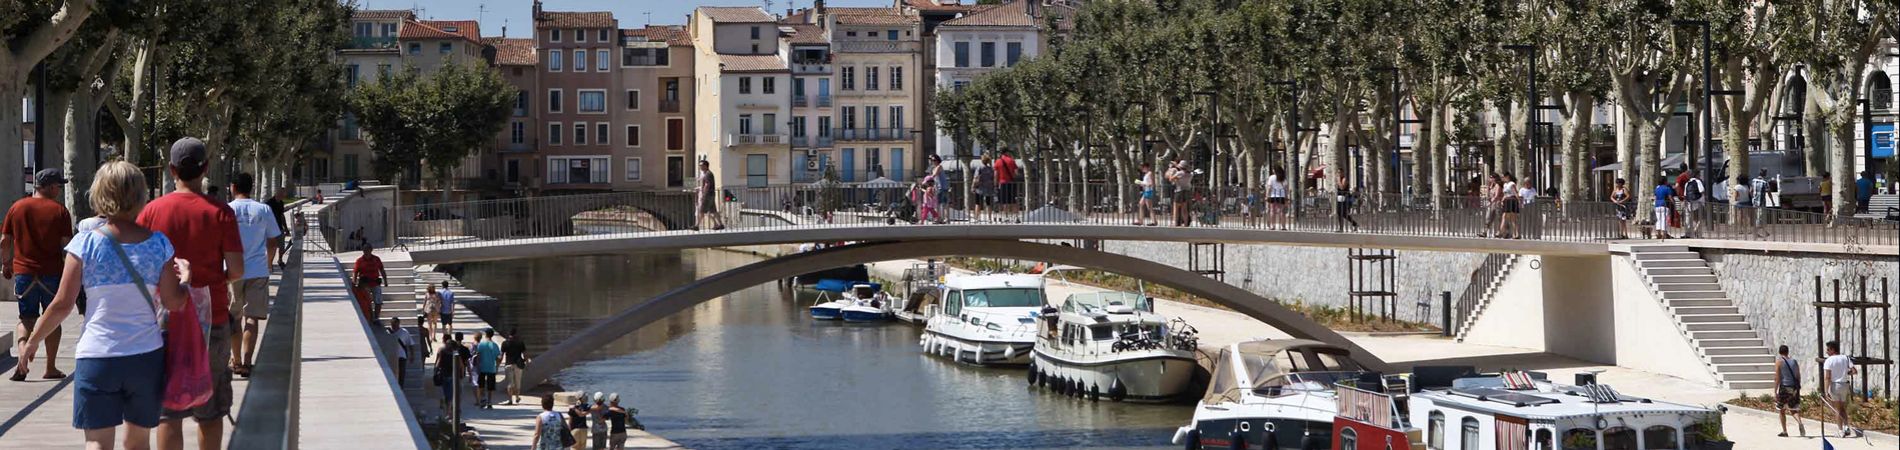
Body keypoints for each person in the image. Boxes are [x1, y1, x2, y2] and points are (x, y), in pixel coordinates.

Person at [15, 161, 186, 450]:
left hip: (97, 355)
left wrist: (33, 342)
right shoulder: (159, 244)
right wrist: (187, 280)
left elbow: (61, 304)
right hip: (145, 356)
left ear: (100, 195)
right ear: (141, 196)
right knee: (138, 442)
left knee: (96, 443)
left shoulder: (85, 243)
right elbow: (174, 302)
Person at [140, 138, 245, 450]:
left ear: (172, 169)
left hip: (163, 321)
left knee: (168, 413)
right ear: (206, 168)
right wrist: (215, 278)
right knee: (210, 410)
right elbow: (237, 269)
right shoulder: (221, 212)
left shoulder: (151, 211)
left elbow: (143, 267)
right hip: (211, 320)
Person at [4, 168, 74, 381]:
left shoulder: (17, 207)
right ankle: (50, 368)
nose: (59, 190)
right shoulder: (60, 211)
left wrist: (7, 263)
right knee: (52, 319)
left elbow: (5, 240)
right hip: (51, 273)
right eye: (58, 186)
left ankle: (22, 359)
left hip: (24, 273)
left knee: (26, 319)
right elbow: (66, 246)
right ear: (50, 186)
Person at [226, 173, 280, 378]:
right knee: (252, 318)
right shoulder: (264, 209)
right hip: (257, 270)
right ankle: (248, 363)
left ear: (232, 187)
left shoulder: (227, 210)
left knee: (234, 317)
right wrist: (268, 264)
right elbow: (273, 242)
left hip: (232, 270)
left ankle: (236, 360)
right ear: (252, 187)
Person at [1819, 340, 1862, 438]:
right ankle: (1846, 426)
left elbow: (1827, 377)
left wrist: (1826, 391)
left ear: (1832, 349)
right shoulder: (1845, 358)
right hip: (1845, 385)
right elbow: (1854, 371)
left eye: (1828, 349)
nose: (1827, 352)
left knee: (1837, 409)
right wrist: (1847, 373)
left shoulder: (1829, 360)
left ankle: (1840, 430)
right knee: (1842, 407)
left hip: (1835, 385)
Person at [1773, 345, 1806, 437]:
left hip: (1784, 388)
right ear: (1788, 352)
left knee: (1782, 410)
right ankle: (1799, 422)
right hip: (1794, 388)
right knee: (1793, 408)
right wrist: (1798, 388)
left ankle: (1785, 431)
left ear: (1780, 352)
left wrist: (1775, 391)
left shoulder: (1779, 362)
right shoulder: (1794, 361)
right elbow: (1798, 375)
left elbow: (1777, 378)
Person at [354, 245, 387, 320]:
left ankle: (376, 318)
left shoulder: (376, 259)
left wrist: (385, 281)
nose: (366, 252)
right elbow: (355, 272)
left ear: (371, 250)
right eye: (364, 250)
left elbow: (382, 270)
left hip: (375, 283)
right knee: (367, 302)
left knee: (378, 302)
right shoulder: (359, 260)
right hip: (365, 284)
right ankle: (369, 316)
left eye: (367, 250)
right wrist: (354, 282)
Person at [693, 159, 725, 230]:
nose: (700, 167)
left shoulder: (708, 174)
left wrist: (703, 194)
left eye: (701, 165)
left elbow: (707, 185)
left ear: (705, 166)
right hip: (711, 194)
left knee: (702, 211)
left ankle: (697, 226)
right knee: (713, 211)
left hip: (707, 195)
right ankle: (720, 224)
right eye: (699, 165)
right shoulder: (707, 173)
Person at [475, 329, 502, 409]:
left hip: (482, 367)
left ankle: (482, 399)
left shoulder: (481, 345)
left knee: (481, 385)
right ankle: (489, 402)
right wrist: (497, 367)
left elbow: (478, 356)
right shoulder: (495, 345)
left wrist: (478, 366)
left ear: (485, 334)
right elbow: (498, 358)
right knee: (490, 386)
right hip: (491, 368)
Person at [503, 327, 529, 405]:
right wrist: (527, 362)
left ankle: (510, 399)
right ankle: (517, 397)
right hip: (518, 365)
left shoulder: (505, 343)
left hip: (508, 364)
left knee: (510, 383)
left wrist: (497, 365)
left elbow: (501, 355)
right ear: (516, 334)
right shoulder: (520, 343)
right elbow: (525, 354)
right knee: (518, 382)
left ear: (509, 334)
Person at [265, 188, 289, 268]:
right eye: (282, 194)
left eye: (284, 195)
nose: (283, 196)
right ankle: (270, 263)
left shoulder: (281, 203)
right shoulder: (269, 203)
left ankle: (280, 260)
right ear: (277, 193)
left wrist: (285, 228)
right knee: (272, 247)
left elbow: (282, 215)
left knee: (282, 246)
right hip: (271, 229)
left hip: (279, 227)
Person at [391, 318, 416, 387]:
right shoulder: (388, 332)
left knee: (401, 374)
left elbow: (410, 344)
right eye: (393, 324)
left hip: (401, 356)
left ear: (399, 323)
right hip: (392, 357)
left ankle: (400, 388)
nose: (394, 326)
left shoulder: (404, 332)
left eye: (395, 324)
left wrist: (412, 355)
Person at [994, 150, 1019, 216]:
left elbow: (996, 174)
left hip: (1002, 183)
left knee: (1004, 201)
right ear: (1007, 153)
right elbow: (1016, 173)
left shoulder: (998, 161)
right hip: (1011, 183)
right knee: (1013, 200)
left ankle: (1006, 217)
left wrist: (995, 184)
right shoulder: (1012, 160)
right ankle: (1016, 216)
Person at [1679, 173, 1705, 238]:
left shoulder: (1687, 183)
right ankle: (1696, 231)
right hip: (1698, 202)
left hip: (1688, 203)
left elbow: (1685, 195)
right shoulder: (1698, 181)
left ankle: (1688, 233)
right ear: (1696, 175)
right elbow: (1702, 190)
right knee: (1700, 218)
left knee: (1690, 218)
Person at [973, 155, 996, 220]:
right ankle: (989, 218)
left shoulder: (979, 168)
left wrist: (973, 186)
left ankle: (976, 217)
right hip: (989, 187)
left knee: (978, 203)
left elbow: (976, 178)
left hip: (980, 187)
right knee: (988, 203)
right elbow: (993, 178)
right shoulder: (991, 169)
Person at [1266, 166, 1289, 230]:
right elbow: (1286, 188)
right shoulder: (1283, 178)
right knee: (1282, 211)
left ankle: (1273, 225)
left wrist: (1267, 195)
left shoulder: (1271, 177)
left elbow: (1269, 187)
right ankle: (1283, 226)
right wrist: (1286, 197)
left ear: (1275, 171)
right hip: (1282, 196)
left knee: (1272, 211)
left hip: (1273, 195)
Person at [1497, 174, 1520, 239]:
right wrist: (1502, 200)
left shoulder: (1511, 184)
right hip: (1507, 200)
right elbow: (1505, 194)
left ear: (1507, 177)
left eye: (1503, 177)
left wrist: (1519, 201)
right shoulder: (1505, 185)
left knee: (1512, 217)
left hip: (1512, 200)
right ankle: (1503, 232)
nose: (1502, 178)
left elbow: (1515, 192)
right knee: (1506, 216)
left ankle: (1514, 234)